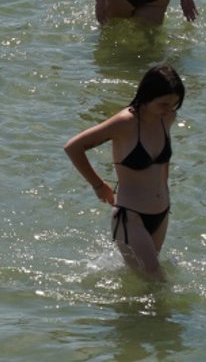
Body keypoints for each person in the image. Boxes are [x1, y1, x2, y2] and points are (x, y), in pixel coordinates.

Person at [64, 65, 184, 280]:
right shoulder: (125, 123)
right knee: (156, 278)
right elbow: (73, 147)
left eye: (174, 104)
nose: (169, 110)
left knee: (144, 282)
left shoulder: (167, 118)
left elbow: (163, 164)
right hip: (131, 216)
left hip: (161, 213)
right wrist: (99, 185)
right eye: (163, 104)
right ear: (148, 96)